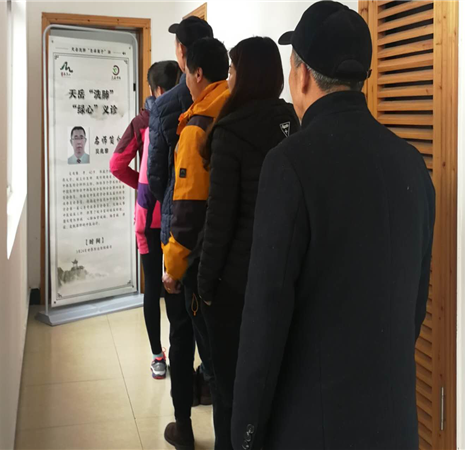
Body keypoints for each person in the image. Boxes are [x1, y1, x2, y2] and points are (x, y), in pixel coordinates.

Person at [231, 2, 436, 450]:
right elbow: (414, 307)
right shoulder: (411, 163)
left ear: (302, 75)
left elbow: (265, 320)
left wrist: (245, 433)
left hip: (313, 429)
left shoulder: (289, 163)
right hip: (397, 427)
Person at [196, 37, 299, 449]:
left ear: (247, 76)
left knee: (230, 395)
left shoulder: (230, 131)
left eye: (233, 70)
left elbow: (218, 222)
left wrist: (204, 285)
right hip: (285, 280)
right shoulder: (295, 123)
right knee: (272, 390)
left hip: (236, 287)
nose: (229, 79)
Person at [161, 37, 230, 450]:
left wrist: (172, 266)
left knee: (206, 357)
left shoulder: (197, 125)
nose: (185, 78)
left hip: (202, 264)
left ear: (198, 73)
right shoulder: (238, 108)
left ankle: (189, 426)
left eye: (187, 71)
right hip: (238, 260)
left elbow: (186, 208)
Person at [110, 61, 182, 380]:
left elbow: (116, 164)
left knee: (152, 285)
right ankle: (183, 354)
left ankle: (157, 357)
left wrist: (145, 184)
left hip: (148, 216)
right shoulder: (187, 116)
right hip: (181, 214)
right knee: (178, 283)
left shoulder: (142, 121)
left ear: (154, 89)